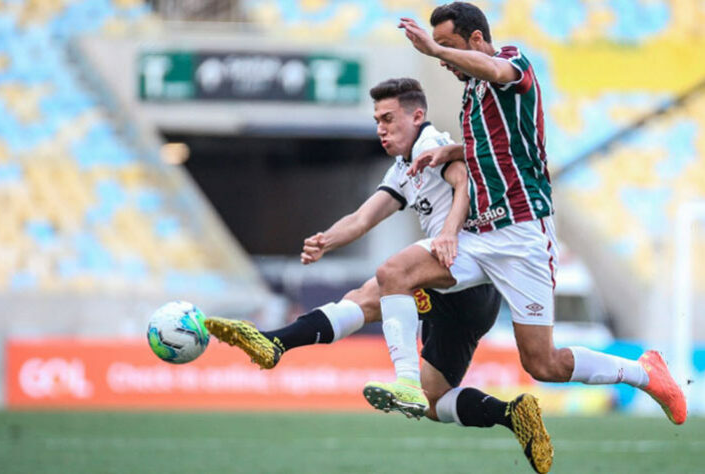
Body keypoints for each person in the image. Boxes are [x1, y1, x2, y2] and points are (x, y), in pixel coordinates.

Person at [205, 78, 553, 473]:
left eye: (388, 119)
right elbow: (362, 217)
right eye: (376, 121)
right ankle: (513, 414)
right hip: (456, 292)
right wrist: (326, 241)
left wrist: (449, 234)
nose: (381, 129)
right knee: (436, 401)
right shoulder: (404, 169)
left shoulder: (432, 145)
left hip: (466, 277)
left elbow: (465, 185)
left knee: (381, 285)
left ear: (416, 115)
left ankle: (278, 344)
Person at [365, 1, 686, 428]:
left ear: (476, 40)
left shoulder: (512, 62)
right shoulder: (471, 95)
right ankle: (406, 382)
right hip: (479, 237)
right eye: (439, 47)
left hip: (522, 235)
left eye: (449, 46)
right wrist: (454, 150)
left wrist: (433, 50)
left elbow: (497, 73)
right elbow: (501, 146)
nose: (443, 58)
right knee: (394, 273)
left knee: (543, 363)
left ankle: (646, 374)